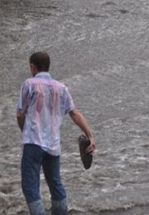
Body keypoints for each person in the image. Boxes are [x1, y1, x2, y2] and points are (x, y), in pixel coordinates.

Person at [16, 51, 96, 215]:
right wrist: (90, 136)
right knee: (55, 183)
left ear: (33, 67)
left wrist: (24, 130)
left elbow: (19, 114)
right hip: (53, 145)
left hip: (33, 142)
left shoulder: (29, 84)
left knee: (30, 185)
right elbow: (75, 113)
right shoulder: (61, 88)